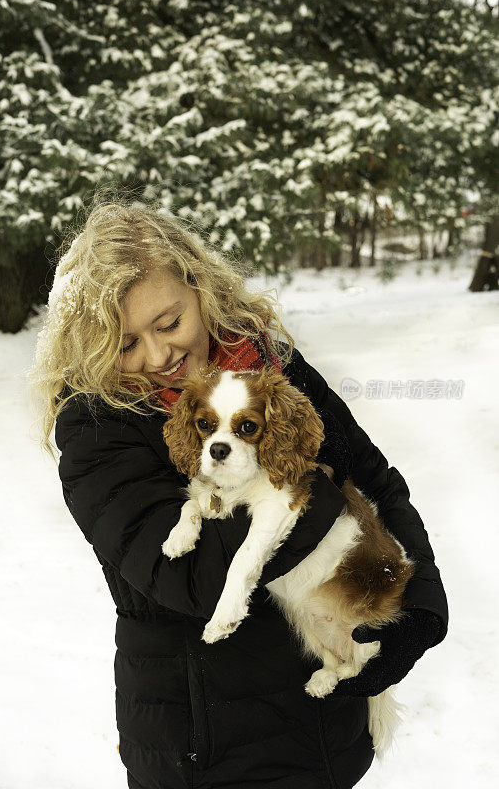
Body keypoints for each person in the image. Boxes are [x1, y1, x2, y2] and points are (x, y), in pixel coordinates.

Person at [30, 200, 448, 789]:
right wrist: (312, 487)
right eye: (125, 343)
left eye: (169, 322)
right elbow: (191, 577)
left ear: (200, 289)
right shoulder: (98, 427)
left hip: (324, 727)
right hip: (209, 746)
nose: (158, 356)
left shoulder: (266, 367)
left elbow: (373, 480)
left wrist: (421, 602)